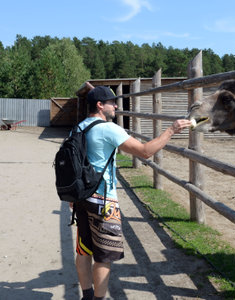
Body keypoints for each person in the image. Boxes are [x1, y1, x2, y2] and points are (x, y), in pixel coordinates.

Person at [73, 86, 191, 300]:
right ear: (100, 105)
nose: (116, 105)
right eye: (112, 102)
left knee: (83, 251)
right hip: (103, 202)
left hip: (81, 199)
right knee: (102, 257)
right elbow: (145, 152)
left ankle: (86, 296)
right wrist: (171, 130)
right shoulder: (108, 128)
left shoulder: (79, 127)